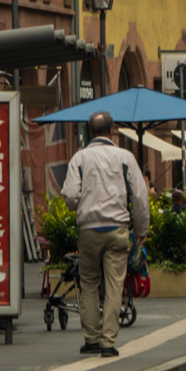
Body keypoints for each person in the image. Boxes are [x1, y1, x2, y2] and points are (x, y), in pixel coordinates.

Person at [61, 111, 149, 357]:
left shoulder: (79, 158)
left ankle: (91, 339)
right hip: (118, 229)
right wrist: (142, 229)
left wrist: (77, 205)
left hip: (88, 230)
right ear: (112, 131)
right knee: (114, 285)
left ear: (90, 132)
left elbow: (69, 196)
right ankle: (108, 342)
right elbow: (140, 197)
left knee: (88, 283)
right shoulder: (125, 157)